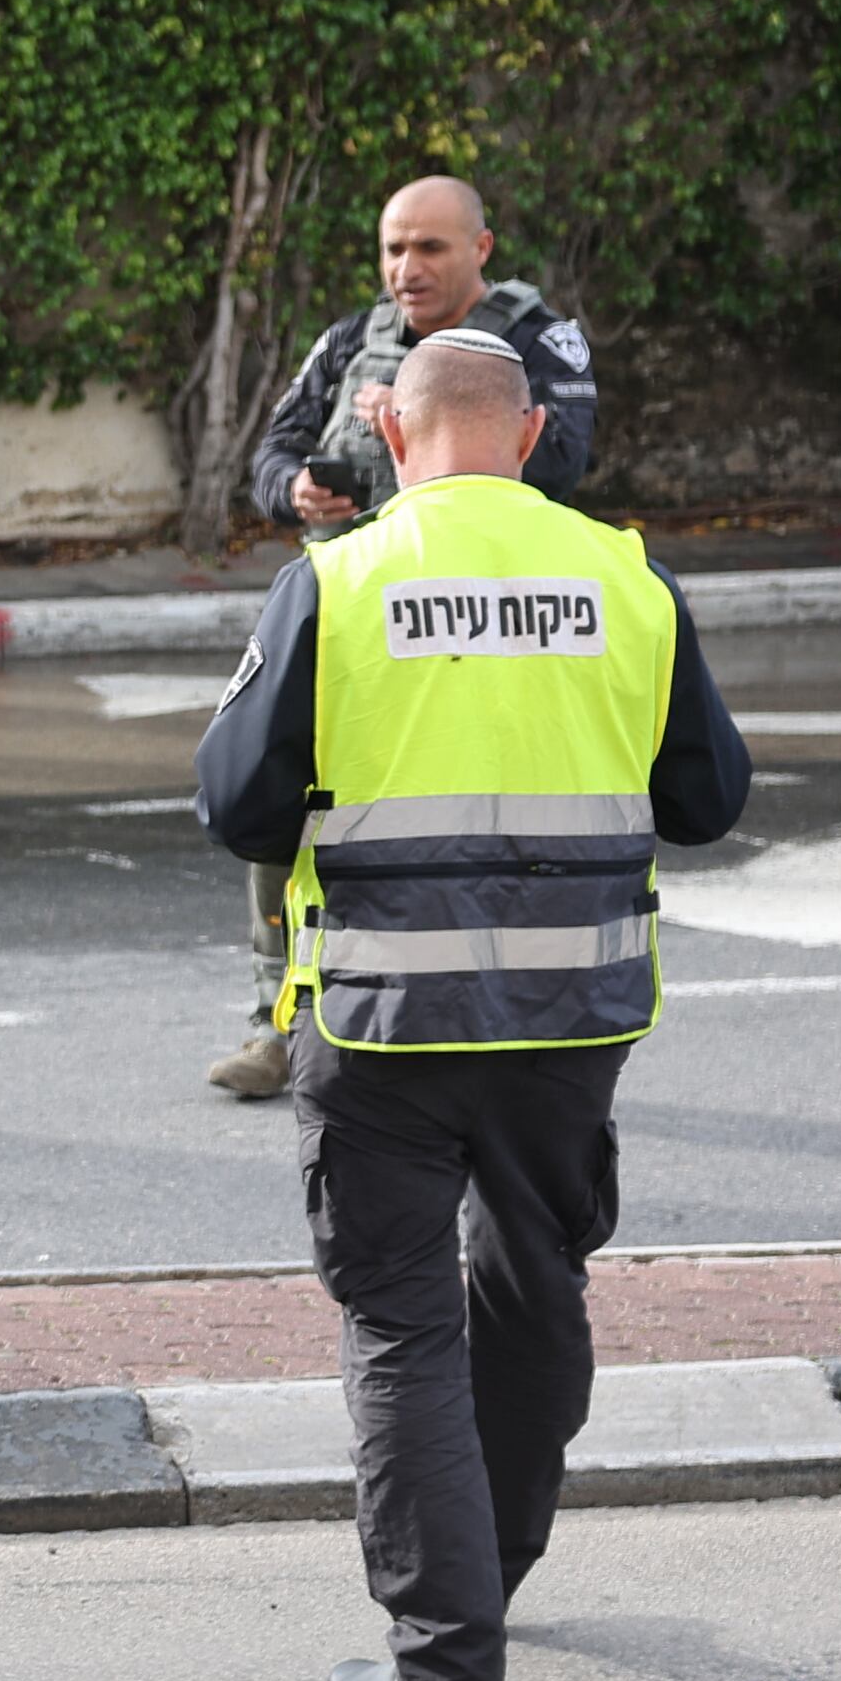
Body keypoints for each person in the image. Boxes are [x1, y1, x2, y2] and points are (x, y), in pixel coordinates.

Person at [192, 331, 746, 1681]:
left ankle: (446, 1668)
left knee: (400, 1320)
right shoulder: (625, 578)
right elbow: (708, 799)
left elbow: (240, 809)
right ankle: (489, 1574)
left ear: (387, 424)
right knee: (533, 1278)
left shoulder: (341, 576)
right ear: (532, 430)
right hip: (575, 1018)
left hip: (386, 1017)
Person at [200, 176, 605, 1098]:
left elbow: (565, 460)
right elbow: (272, 450)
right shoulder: (351, 337)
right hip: (350, 617)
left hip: (481, 622)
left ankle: (502, 1016)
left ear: (482, 249)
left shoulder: (538, 340)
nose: (405, 269)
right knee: (287, 808)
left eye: (429, 248)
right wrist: (298, 492)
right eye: (393, 249)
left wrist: (428, 423)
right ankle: (282, 1021)